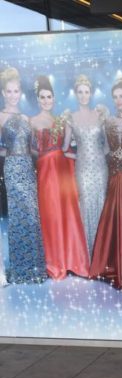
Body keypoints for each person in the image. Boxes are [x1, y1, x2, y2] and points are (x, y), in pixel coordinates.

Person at [31, 75, 89, 280]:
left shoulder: (62, 120)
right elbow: (31, 149)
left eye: (49, 97)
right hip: (46, 171)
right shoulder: (32, 121)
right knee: (51, 214)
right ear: (38, 99)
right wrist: (43, 158)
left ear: (54, 98)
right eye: (43, 97)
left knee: (67, 212)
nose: (46, 100)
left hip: (63, 169)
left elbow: (67, 147)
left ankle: (73, 260)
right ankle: (55, 262)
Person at [89, 78, 122, 290]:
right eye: (115, 97)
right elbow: (104, 149)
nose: (118, 100)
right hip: (114, 176)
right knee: (115, 219)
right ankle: (114, 264)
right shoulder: (108, 122)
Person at [0, 67, 47, 284]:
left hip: (28, 168)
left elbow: (34, 148)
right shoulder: (0, 117)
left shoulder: (27, 118)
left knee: (32, 215)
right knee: (18, 217)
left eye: (16, 91)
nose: (13, 95)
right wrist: (9, 154)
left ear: (20, 92)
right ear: (3, 93)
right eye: (9, 91)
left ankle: (35, 268)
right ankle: (20, 270)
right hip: (12, 168)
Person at [63, 74, 109, 259]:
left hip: (100, 169)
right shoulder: (70, 118)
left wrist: (96, 157)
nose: (83, 95)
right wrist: (80, 156)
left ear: (91, 94)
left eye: (86, 92)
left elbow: (107, 147)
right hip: (82, 169)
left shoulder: (100, 115)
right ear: (76, 94)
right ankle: (88, 257)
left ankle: (102, 257)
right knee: (86, 205)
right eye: (80, 92)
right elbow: (65, 148)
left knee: (101, 204)